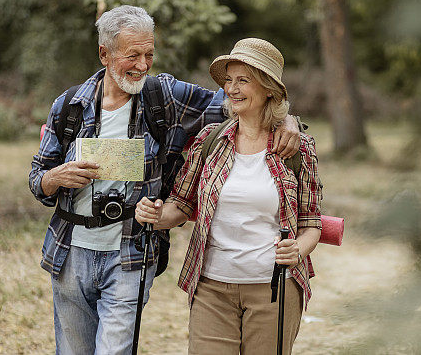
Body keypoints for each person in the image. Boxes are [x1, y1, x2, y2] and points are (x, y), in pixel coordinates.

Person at [29, 7, 301, 355]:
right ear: (104, 54)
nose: (143, 65)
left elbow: (241, 102)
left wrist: (287, 118)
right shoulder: (69, 105)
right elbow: (37, 179)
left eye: (149, 54)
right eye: (133, 56)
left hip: (130, 252)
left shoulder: (164, 96)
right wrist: (55, 177)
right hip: (70, 252)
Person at [135, 37, 323, 355]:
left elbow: (311, 225)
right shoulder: (210, 140)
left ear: (269, 90)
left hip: (275, 287)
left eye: (243, 81)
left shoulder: (298, 148)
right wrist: (155, 215)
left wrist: (297, 251)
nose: (231, 89)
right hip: (211, 287)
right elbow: (180, 204)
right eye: (229, 81)